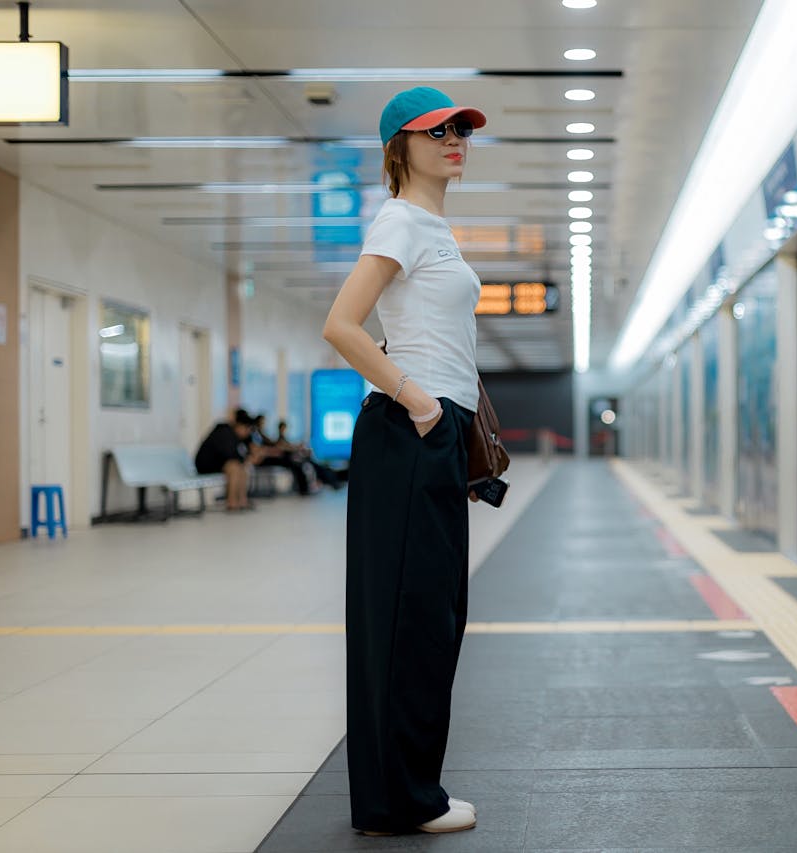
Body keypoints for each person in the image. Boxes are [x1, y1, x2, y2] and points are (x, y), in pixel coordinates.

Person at [322, 85, 486, 837]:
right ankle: (400, 800)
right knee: (410, 617)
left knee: (434, 616)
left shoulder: (434, 227)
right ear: (400, 147)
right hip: (411, 432)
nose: (454, 139)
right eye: (436, 132)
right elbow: (342, 324)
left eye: (460, 130)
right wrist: (418, 401)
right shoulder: (400, 219)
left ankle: (409, 788)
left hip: (433, 430)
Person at [194, 408, 264, 511]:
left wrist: (249, 457)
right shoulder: (224, 431)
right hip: (205, 465)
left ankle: (242, 501)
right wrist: (248, 458)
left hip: (219, 463)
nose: (247, 433)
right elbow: (229, 454)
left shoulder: (236, 436)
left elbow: (239, 455)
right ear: (240, 426)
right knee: (234, 467)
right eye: (246, 429)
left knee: (241, 467)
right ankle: (232, 502)